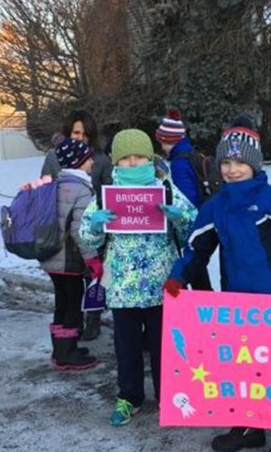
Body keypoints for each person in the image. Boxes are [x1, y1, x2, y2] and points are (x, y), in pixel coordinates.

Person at [163, 117, 271, 452]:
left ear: (255, 164)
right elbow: (196, 248)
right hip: (235, 308)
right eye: (226, 162)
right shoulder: (216, 206)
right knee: (238, 368)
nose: (233, 169)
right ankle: (248, 425)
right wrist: (179, 277)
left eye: (240, 162)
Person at [80, 129, 197, 427]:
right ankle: (129, 397)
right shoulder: (106, 194)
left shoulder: (166, 188)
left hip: (162, 285)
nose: (133, 164)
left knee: (163, 347)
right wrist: (95, 225)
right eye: (126, 159)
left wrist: (179, 217)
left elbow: (193, 231)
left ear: (150, 158)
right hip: (122, 287)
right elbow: (86, 239)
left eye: (140, 158)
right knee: (126, 346)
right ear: (116, 162)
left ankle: (166, 396)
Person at [41, 109, 114, 342]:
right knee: (69, 292)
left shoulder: (100, 159)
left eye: (84, 133)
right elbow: (46, 190)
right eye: (75, 132)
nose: (80, 137)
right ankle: (68, 340)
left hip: (92, 224)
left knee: (91, 278)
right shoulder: (54, 157)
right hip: (64, 236)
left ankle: (92, 319)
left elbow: (108, 189)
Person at [40, 138, 100, 371]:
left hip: (51, 257)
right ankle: (68, 353)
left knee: (61, 303)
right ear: (79, 162)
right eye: (88, 158)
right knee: (73, 304)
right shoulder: (81, 189)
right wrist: (92, 259)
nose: (93, 162)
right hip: (69, 259)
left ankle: (61, 349)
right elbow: (79, 229)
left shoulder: (55, 184)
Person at [155, 107, 213, 290]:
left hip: (192, 221)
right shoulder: (190, 153)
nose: (162, 147)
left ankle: (199, 301)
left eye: (162, 142)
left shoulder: (180, 163)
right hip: (200, 216)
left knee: (194, 265)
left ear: (170, 141)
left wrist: (179, 215)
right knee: (198, 264)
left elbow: (186, 197)